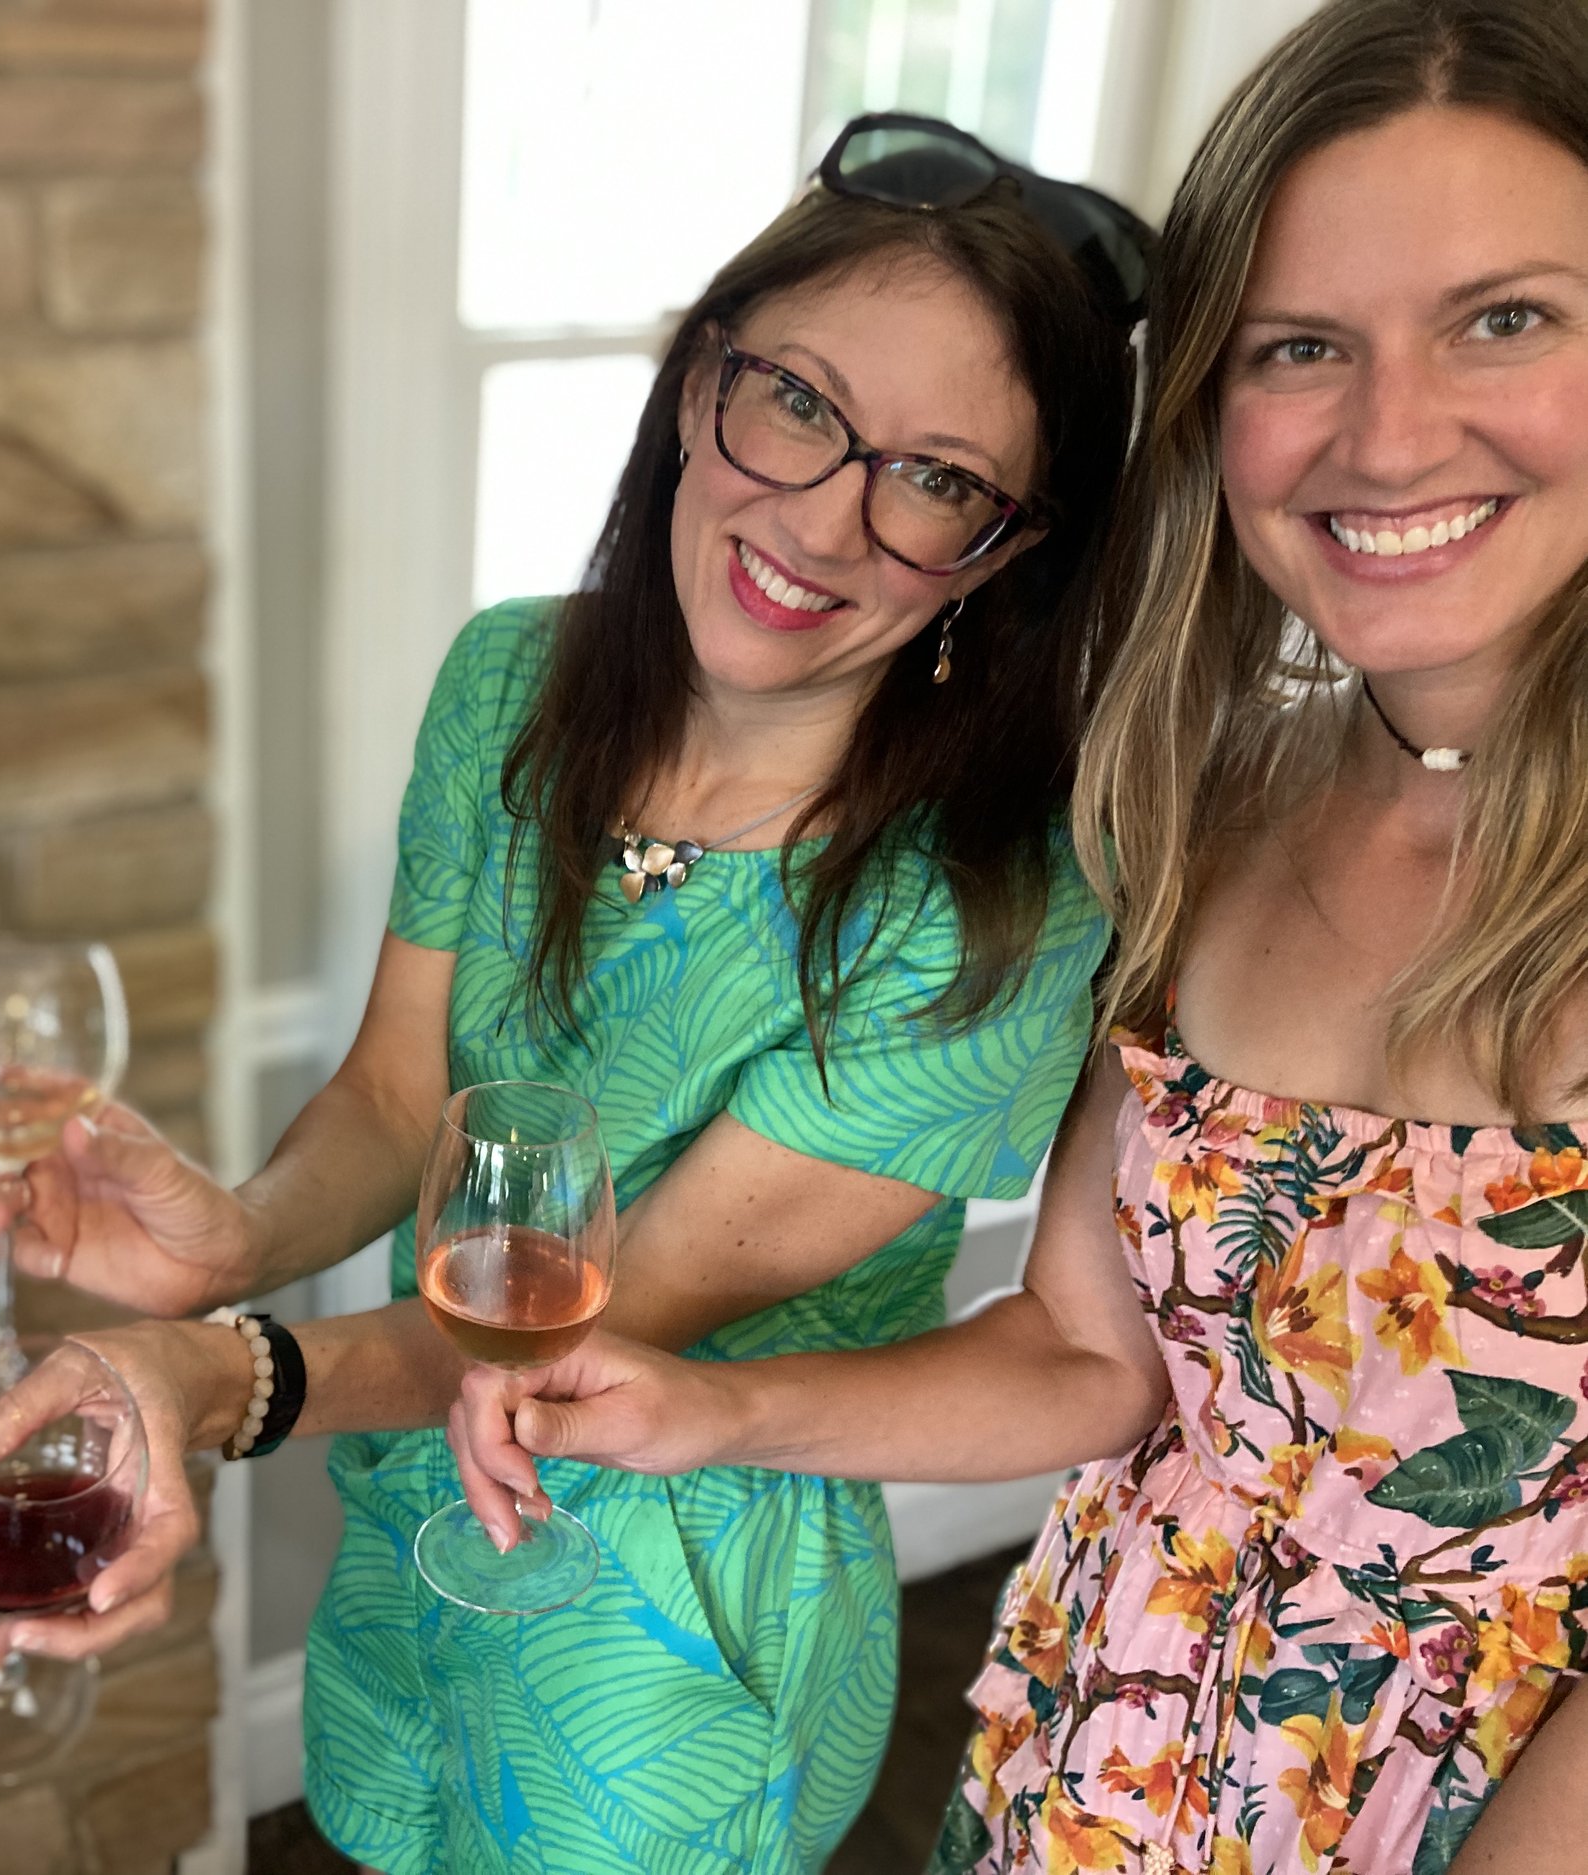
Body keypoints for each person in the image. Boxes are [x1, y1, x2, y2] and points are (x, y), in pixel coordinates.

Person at [0, 120, 1148, 1873]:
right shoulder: (512, 680)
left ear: (1010, 550)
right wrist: (229, 1236)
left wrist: (224, 1375)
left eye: (939, 479)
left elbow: (575, 1318)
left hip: (676, 1621)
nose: (821, 518)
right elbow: (396, 1101)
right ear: (697, 379)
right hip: (416, 1525)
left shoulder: (993, 901)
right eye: (795, 400)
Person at [449, 4, 1588, 1869]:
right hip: (1094, 1759)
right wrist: (707, 1406)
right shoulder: (1202, 810)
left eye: (1505, 318)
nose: (1390, 433)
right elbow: (1090, 1355)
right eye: (1303, 345)